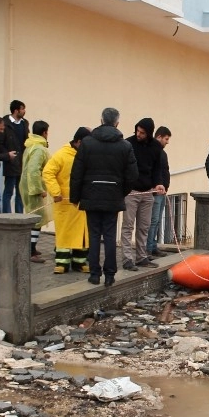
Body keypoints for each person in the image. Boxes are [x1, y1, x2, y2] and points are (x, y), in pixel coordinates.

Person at [69, 107, 138, 287]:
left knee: (93, 235)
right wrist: (121, 191)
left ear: (101, 121)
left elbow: (77, 172)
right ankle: (109, 275)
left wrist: (75, 197)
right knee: (109, 235)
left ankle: (94, 273)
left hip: (91, 194)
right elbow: (132, 175)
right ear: (117, 122)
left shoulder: (87, 143)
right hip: (113, 195)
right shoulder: (125, 146)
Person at [43, 127, 90, 274]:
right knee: (64, 233)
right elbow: (48, 172)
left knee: (82, 234)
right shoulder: (61, 155)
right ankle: (62, 262)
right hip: (64, 202)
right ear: (79, 141)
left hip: (81, 202)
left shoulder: (86, 155)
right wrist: (55, 192)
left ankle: (79, 262)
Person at [120, 117, 165, 271]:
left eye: (142, 132)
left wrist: (159, 183)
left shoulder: (156, 147)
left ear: (149, 133)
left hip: (148, 192)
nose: (139, 134)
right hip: (131, 192)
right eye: (137, 131)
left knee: (144, 227)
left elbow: (158, 169)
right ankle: (127, 259)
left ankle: (141, 257)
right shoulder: (128, 143)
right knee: (128, 226)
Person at [18, 120, 52, 262]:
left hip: (26, 186)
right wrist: (38, 189)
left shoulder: (30, 146)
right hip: (33, 189)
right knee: (36, 220)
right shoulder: (39, 149)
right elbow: (33, 170)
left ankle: (32, 247)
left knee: (35, 218)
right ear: (44, 132)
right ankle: (30, 251)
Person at [146, 126, 172, 258]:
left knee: (156, 221)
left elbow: (164, 171)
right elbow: (153, 172)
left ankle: (153, 246)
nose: (167, 142)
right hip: (156, 193)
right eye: (166, 139)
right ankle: (148, 249)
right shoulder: (153, 151)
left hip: (162, 192)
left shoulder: (162, 153)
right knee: (153, 220)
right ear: (159, 137)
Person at [2, 99, 28, 214]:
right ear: (16, 110)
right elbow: (0, 142)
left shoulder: (24, 123)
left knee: (20, 191)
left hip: (22, 161)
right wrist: (7, 155)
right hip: (10, 162)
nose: (24, 111)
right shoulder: (5, 123)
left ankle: (19, 216)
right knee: (8, 191)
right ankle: (6, 216)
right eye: (22, 109)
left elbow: (27, 140)